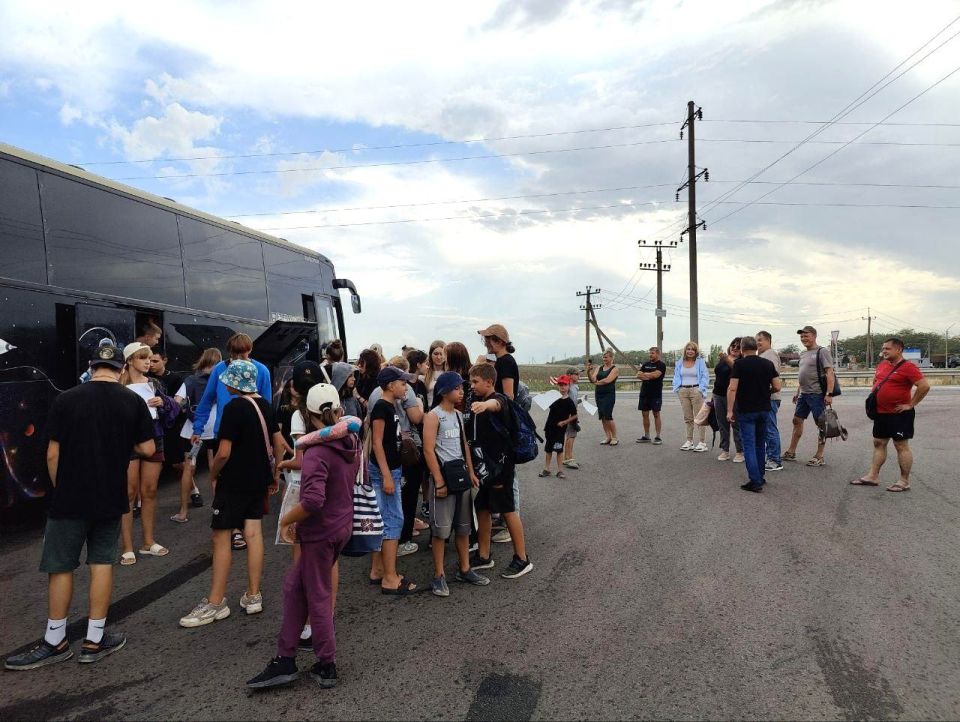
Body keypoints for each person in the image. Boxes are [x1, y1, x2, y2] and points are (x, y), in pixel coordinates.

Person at [4, 343, 155, 671]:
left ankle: (55, 640)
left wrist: (62, 489)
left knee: (60, 566)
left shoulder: (66, 399)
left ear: (92, 366)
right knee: (102, 562)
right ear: (120, 368)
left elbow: (52, 454)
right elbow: (147, 447)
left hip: (70, 498)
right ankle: (94, 639)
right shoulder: (133, 400)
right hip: (110, 496)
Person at [246, 385, 362, 690]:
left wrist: (286, 520)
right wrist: (290, 463)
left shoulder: (317, 450)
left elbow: (312, 501)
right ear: (338, 410)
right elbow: (327, 469)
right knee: (293, 587)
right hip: (341, 526)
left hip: (319, 533)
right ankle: (285, 657)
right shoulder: (350, 440)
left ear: (308, 416)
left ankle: (327, 664)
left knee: (318, 597)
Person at [179, 360, 284, 628]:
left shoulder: (234, 408)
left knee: (221, 535)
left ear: (233, 382)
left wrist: (212, 474)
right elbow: (278, 443)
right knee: (253, 533)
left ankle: (215, 602)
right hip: (259, 478)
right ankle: (253, 595)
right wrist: (274, 476)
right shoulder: (266, 405)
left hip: (234, 480)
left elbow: (223, 452)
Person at [192, 333, 273, 551]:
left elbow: (266, 405)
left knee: (244, 482)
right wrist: (197, 428)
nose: (239, 357)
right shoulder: (219, 369)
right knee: (226, 483)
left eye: (243, 353)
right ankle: (235, 527)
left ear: (250, 351)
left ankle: (241, 525)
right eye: (235, 353)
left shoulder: (261, 370)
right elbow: (208, 399)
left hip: (250, 434)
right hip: (224, 432)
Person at [422, 372, 490, 597]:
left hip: (460, 478)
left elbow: (464, 447)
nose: (462, 392)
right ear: (444, 391)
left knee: (463, 528)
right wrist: (439, 481)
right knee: (441, 531)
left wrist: (471, 472)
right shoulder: (433, 416)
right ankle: (438, 575)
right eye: (457, 388)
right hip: (443, 479)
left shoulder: (460, 416)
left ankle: (465, 568)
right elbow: (428, 450)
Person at [467, 362, 533, 579]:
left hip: (501, 468)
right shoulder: (477, 400)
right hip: (489, 468)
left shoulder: (499, 400)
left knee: (507, 509)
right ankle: (484, 555)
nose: (472, 385)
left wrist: (485, 406)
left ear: (489, 382)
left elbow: (497, 404)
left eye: (476, 381)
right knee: (482, 507)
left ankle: (522, 558)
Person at [119, 342, 179, 565]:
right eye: (142, 358)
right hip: (128, 442)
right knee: (129, 492)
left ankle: (148, 542)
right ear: (130, 361)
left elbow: (173, 409)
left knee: (150, 490)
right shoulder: (119, 384)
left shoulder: (155, 384)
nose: (147, 362)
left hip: (154, 437)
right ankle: (127, 547)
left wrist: (162, 402)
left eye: (149, 358)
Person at [851, 337, 930, 493]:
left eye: (887, 348)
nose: (884, 351)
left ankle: (904, 481)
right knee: (879, 443)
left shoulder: (908, 367)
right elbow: (877, 381)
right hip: (881, 413)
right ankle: (873, 476)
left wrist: (911, 404)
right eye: (883, 348)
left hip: (899, 414)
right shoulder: (882, 365)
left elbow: (924, 386)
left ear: (898, 349)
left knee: (901, 445)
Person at [368, 366, 420, 595]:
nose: (406, 386)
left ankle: (378, 569)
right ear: (390, 385)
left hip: (390, 468)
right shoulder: (382, 407)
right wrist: (387, 475)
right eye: (402, 382)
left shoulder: (389, 406)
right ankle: (390, 578)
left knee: (385, 519)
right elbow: (377, 443)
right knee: (392, 520)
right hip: (386, 471)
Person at [171, 348, 222, 523]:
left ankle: (183, 512)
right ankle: (219, 510)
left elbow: (177, 402)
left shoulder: (191, 380)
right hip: (215, 428)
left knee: (188, 468)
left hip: (192, 430)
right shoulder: (221, 379)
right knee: (215, 469)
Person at [726, 336, 782, 493]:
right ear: (756, 348)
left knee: (748, 445)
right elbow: (777, 386)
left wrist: (730, 410)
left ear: (743, 349)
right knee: (760, 443)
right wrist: (765, 392)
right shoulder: (767, 364)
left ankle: (755, 481)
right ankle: (761, 475)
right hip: (764, 409)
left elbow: (732, 388)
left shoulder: (739, 364)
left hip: (746, 410)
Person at [783, 326, 835, 467]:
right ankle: (791, 452)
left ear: (814, 336)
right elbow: (803, 374)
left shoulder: (822, 351)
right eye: (802, 336)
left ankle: (819, 456)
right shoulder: (803, 353)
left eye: (806, 336)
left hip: (817, 394)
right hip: (804, 394)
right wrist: (797, 392)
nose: (803, 338)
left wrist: (829, 394)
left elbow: (829, 373)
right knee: (797, 420)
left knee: (821, 424)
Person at [672, 341, 710, 452]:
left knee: (699, 417)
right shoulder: (680, 362)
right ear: (685, 351)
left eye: (692, 349)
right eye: (688, 349)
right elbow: (676, 375)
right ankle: (689, 441)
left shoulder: (700, 362)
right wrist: (678, 388)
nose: (690, 351)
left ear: (696, 351)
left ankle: (702, 442)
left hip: (696, 390)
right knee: (688, 417)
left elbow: (705, 376)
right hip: (683, 390)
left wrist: (701, 389)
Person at [712, 340, 744, 463]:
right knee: (722, 424)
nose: (735, 348)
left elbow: (736, 369)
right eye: (733, 345)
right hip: (718, 394)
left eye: (738, 346)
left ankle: (740, 451)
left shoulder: (741, 361)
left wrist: (726, 359)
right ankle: (725, 450)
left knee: (736, 424)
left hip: (733, 396)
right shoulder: (723, 359)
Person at [539, 376, 577, 478]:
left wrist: (565, 422)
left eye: (565, 385)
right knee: (548, 449)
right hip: (550, 427)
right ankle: (546, 469)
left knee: (559, 449)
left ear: (569, 386)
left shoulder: (569, 401)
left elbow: (574, 415)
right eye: (560, 385)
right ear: (558, 386)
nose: (563, 387)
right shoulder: (553, 398)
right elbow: (544, 404)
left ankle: (560, 470)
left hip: (560, 430)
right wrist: (543, 396)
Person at [756, 331, 783, 472]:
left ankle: (774, 460)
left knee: (770, 429)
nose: (758, 343)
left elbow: (770, 376)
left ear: (768, 341)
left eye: (760, 340)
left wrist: (764, 391)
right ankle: (771, 456)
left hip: (770, 398)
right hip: (766, 398)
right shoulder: (762, 355)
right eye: (756, 340)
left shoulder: (770, 354)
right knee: (766, 429)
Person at [588, 349, 620, 445]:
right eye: (603, 357)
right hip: (599, 394)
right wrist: (589, 372)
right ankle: (608, 437)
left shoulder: (615, 369)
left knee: (608, 415)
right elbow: (592, 379)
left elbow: (607, 380)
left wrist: (597, 383)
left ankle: (614, 437)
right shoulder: (599, 368)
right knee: (602, 416)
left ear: (611, 357)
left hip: (609, 394)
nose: (604, 359)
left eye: (606, 357)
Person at [635, 347, 666, 445]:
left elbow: (656, 375)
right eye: (649, 353)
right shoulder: (645, 364)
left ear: (658, 354)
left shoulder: (661, 365)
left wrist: (645, 375)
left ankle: (658, 436)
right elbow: (638, 375)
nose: (650, 355)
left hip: (655, 394)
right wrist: (648, 375)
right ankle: (647, 435)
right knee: (644, 414)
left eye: (652, 353)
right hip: (644, 393)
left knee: (656, 414)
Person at [478, 324, 518, 400]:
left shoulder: (506, 362)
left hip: (500, 410)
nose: (486, 344)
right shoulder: (499, 360)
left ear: (499, 342)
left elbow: (509, 396)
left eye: (488, 341)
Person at [561, 367, 582, 469]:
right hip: (570, 415)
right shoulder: (569, 387)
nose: (579, 376)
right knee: (571, 436)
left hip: (571, 413)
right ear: (570, 375)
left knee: (571, 435)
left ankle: (567, 457)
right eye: (577, 374)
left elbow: (572, 401)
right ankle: (568, 458)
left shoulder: (574, 387)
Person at [354, 348, 382, 417]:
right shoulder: (359, 376)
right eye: (359, 362)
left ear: (370, 365)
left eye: (362, 363)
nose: (359, 365)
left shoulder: (377, 381)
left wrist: (358, 396)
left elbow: (372, 406)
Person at [424, 341, 446, 408]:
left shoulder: (449, 373)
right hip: (429, 411)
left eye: (441, 354)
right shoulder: (425, 374)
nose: (439, 357)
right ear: (430, 355)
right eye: (436, 354)